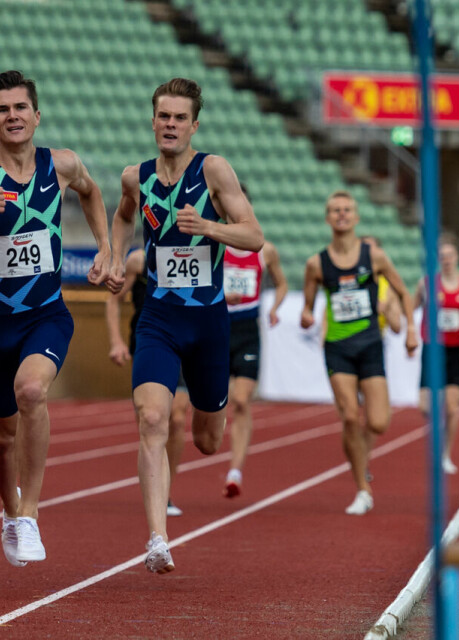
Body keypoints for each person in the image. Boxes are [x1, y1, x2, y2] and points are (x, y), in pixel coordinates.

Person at [0, 70, 116, 566]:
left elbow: (91, 192)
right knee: (1, 436)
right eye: (3, 110)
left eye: (20, 107)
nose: (13, 116)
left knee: (31, 391)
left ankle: (29, 513)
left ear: (37, 115)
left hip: (46, 314)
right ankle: (10, 511)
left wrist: (105, 247)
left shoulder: (63, 164)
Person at [109, 78, 263, 573]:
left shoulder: (213, 169)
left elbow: (254, 236)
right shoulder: (135, 177)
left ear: (194, 125)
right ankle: (158, 539)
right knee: (153, 418)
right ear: (152, 120)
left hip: (208, 322)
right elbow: (123, 217)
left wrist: (209, 227)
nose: (170, 125)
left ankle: (213, 416)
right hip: (158, 317)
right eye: (164, 116)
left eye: (180, 118)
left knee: (207, 440)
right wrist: (114, 256)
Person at [300, 190, 417, 515]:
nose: (341, 214)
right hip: (337, 347)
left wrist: (411, 329)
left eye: (347, 210)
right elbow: (307, 307)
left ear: (356, 217)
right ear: (327, 218)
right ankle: (362, 489)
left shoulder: (374, 256)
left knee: (378, 422)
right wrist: (306, 315)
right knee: (350, 416)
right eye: (335, 210)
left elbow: (404, 293)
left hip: (369, 345)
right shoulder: (316, 264)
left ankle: (358, 453)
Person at [105, 248, 189, 517]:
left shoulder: (195, 253)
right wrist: (116, 341)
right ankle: (156, 488)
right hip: (149, 342)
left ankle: (165, 490)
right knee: (151, 420)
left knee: (177, 418)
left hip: (185, 342)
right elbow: (113, 301)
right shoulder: (138, 260)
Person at [221, 233, 288, 498]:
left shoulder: (264, 251)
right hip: (218, 329)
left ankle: (235, 471)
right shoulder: (216, 245)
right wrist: (222, 295)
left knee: (241, 400)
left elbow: (281, 284)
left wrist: (274, 308)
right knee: (212, 406)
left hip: (248, 331)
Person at [414, 233, 459, 474]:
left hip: (454, 351)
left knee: (452, 409)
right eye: (442, 256)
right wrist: (408, 330)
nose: (446, 260)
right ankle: (436, 436)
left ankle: (445, 455)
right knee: (426, 407)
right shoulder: (426, 285)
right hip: (432, 349)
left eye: (450, 255)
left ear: (457, 257)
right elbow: (410, 308)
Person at [360, 236, 403, 335]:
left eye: (371, 249)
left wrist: (386, 310)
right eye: (363, 249)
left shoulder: (387, 287)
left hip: (374, 338)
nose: (368, 253)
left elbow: (397, 327)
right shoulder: (347, 279)